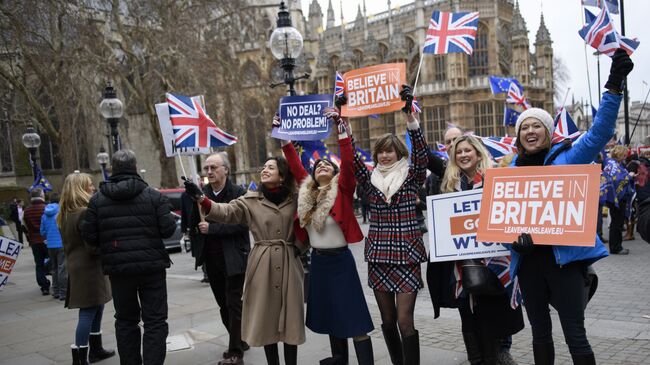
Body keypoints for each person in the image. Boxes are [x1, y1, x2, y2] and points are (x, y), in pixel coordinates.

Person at [507, 48, 633, 365]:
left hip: (563, 262)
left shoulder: (567, 159)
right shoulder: (509, 171)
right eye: (525, 127)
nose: (530, 131)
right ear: (519, 136)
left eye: (537, 126)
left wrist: (614, 85)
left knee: (575, 334)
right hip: (529, 264)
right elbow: (500, 219)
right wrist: (511, 240)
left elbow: (600, 132)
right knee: (540, 334)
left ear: (548, 134)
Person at [184, 155, 305, 365]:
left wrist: (301, 247)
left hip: (288, 262)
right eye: (264, 166)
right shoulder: (250, 199)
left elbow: (308, 224)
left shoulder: (296, 199)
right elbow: (226, 212)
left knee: (290, 320)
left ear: (283, 175)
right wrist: (202, 200)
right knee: (267, 320)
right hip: (262, 264)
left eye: (271, 168)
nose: (265, 170)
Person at [277, 109, 374, 365]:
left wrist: (339, 126)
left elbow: (349, 161)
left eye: (327, 165)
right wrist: (283, 136)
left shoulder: (342, 188)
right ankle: (339, 360)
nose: (322, 166)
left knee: (355, 319)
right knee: (332, 317)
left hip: (341, 263)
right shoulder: (307, 193)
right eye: (318, 164)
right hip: (319, 263)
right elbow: (296, 165)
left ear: (334, 173)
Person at [429, 135, 524, 365]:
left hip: (492, 263)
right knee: (467, 316)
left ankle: (497, 354)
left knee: (490, 317)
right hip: (462, 265)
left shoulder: (495, 181)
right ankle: (476, 360)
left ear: (478, 153)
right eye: (458, 152)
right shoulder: (451, 185)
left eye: (467, 151)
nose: (462, 155)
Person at [349, 85, 427, 365]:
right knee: (387, 320)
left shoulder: (411, 177)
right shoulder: (370, 182)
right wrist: (343, 126)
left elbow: (421, 156)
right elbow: (353, 160)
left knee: (405, 321)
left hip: (407, 256)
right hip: (380, 257)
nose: (384, 156)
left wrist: (410, 117)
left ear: (398, 153)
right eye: (380, 152)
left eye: (389, 151)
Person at [82, 150, 176, 365]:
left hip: (119, 269)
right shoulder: (153, 196)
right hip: (152, 269)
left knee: (125, 321)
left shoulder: (97, 201)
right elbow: (168, 229)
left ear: (113, 169)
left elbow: (90, 237)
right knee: (155, 321)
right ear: (135, 168)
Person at [192, 152, 251, 365]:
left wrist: (213, 229)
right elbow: (194, 226)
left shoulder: (239, 193)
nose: (209, 172)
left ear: (226, 169)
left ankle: (235, 352)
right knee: (223, 305)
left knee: (234, 303)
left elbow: (242, 224)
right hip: (212, 260)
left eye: (213, 167)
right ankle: (241, 339)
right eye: (206, 168)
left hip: (234, 258)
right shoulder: (201, 194)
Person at [59, 172, 114, 365]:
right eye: (89, 185)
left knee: (96, 306)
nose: (92, 188)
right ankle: (81, 357)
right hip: (89, 269)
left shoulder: (65, 214)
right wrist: (109, 245)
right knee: (89, 311)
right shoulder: (83, 213)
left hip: (80, 267)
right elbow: (91, 246)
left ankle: (95, 349)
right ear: (80, 188)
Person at [602, 145, 635, 254]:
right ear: (620, 154)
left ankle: (615, 246)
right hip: (617, 198)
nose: (625, 157)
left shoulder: (611, 163)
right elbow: (618, 179)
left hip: (614, 197)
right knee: (617, 223)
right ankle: (616, 247)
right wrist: (629, 176)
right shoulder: (614, 164)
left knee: (616, 223)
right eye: (624, 155)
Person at [22, 188, 50, 295]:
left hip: (34, 241)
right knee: (53, 261)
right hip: (47, 240)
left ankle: (44, 286)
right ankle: (55, 281)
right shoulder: (46, 208)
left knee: (39, 264)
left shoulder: (26, 211)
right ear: (41, 195)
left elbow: (24, 226)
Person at [40, 192, 67, 301]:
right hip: (61, 244)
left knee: (54, 268)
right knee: (62, 268)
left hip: (50, 245)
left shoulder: (44, 214)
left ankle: (55, 291)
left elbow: (42, 232)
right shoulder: (61, 212)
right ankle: (63, 293)